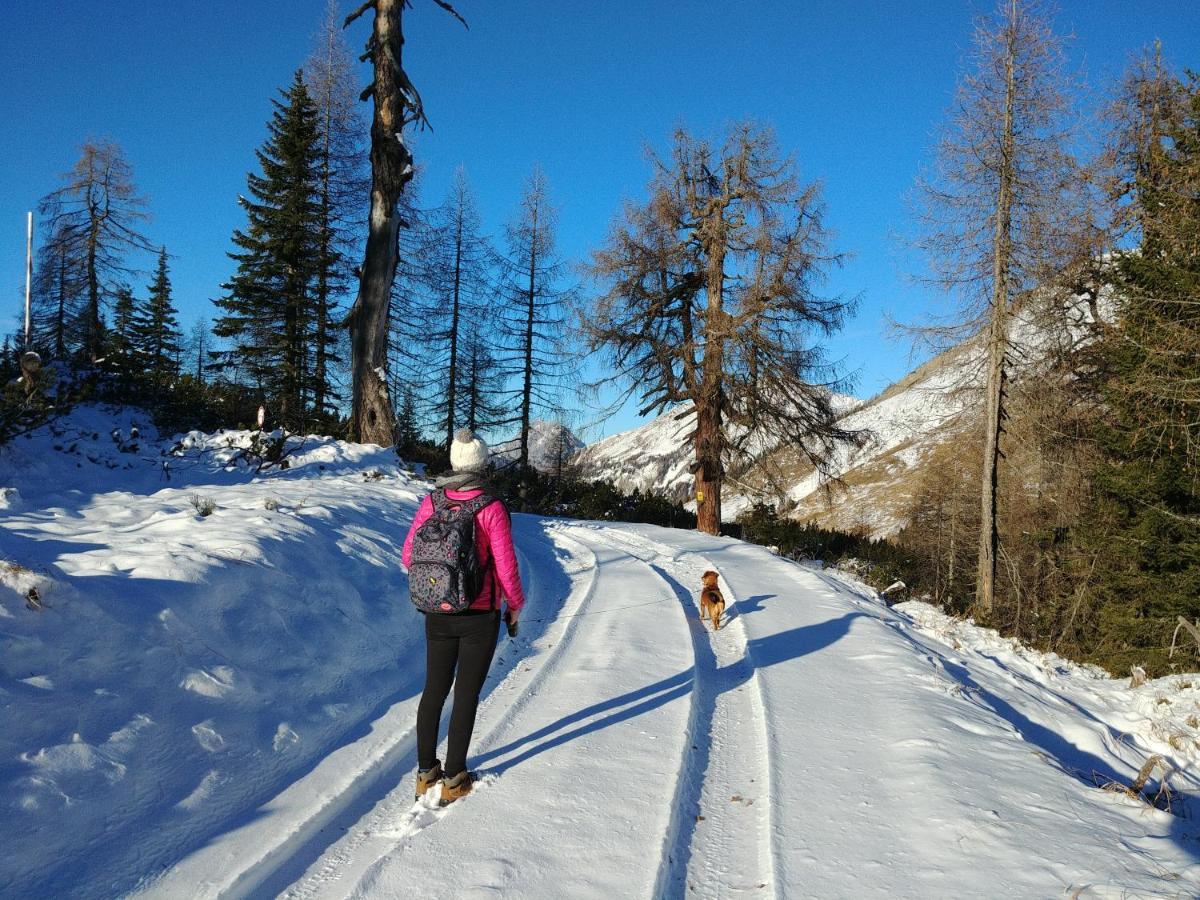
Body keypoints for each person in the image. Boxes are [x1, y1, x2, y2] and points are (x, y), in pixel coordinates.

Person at [401, 428, 525, 805]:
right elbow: (505, 567)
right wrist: (514, 605)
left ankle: (426, 773)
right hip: (478, 614)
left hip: (436, 611)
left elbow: (409, 556)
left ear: (454, 461)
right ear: (482, 463)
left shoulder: (433, 502)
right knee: (466, 694)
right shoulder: (491, 506)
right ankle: (455, 777)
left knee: (434, 690)